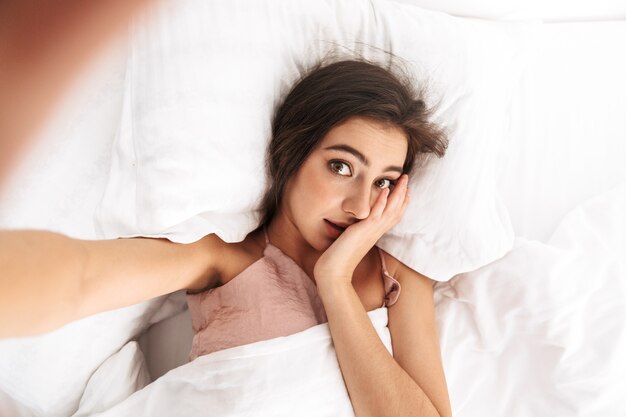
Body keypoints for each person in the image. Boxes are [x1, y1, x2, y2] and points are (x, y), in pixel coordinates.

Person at [0, 58, 452, 417]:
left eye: (383, 183)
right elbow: (80, 278)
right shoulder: (224, 257)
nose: (359, 206)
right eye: (341, 167)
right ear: (290, 156)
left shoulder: (398, 272)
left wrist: (335, 282)